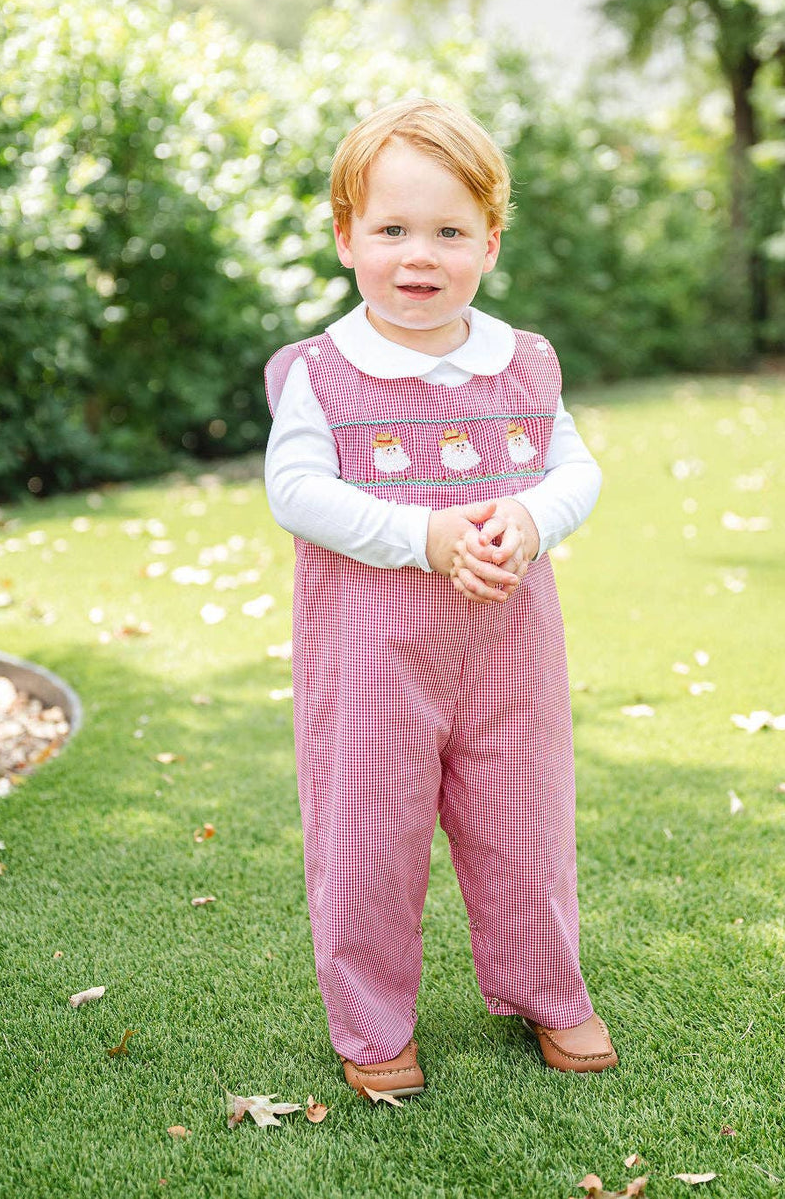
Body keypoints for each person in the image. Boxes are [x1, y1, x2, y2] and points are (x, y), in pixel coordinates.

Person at [263, 97, 618, 1099]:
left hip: (511, 645)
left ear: (490, 243)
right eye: (392, 230)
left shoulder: (525, 362)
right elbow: (296, 490)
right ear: (346, 237)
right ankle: (372, 1020)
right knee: (368, 825)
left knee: (526, 820)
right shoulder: (324, 377)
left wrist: (532, 519)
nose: (420, 256)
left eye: (450, 232)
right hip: (374, 653)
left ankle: (546, 990)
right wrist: (423, 536)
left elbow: (574, 469)